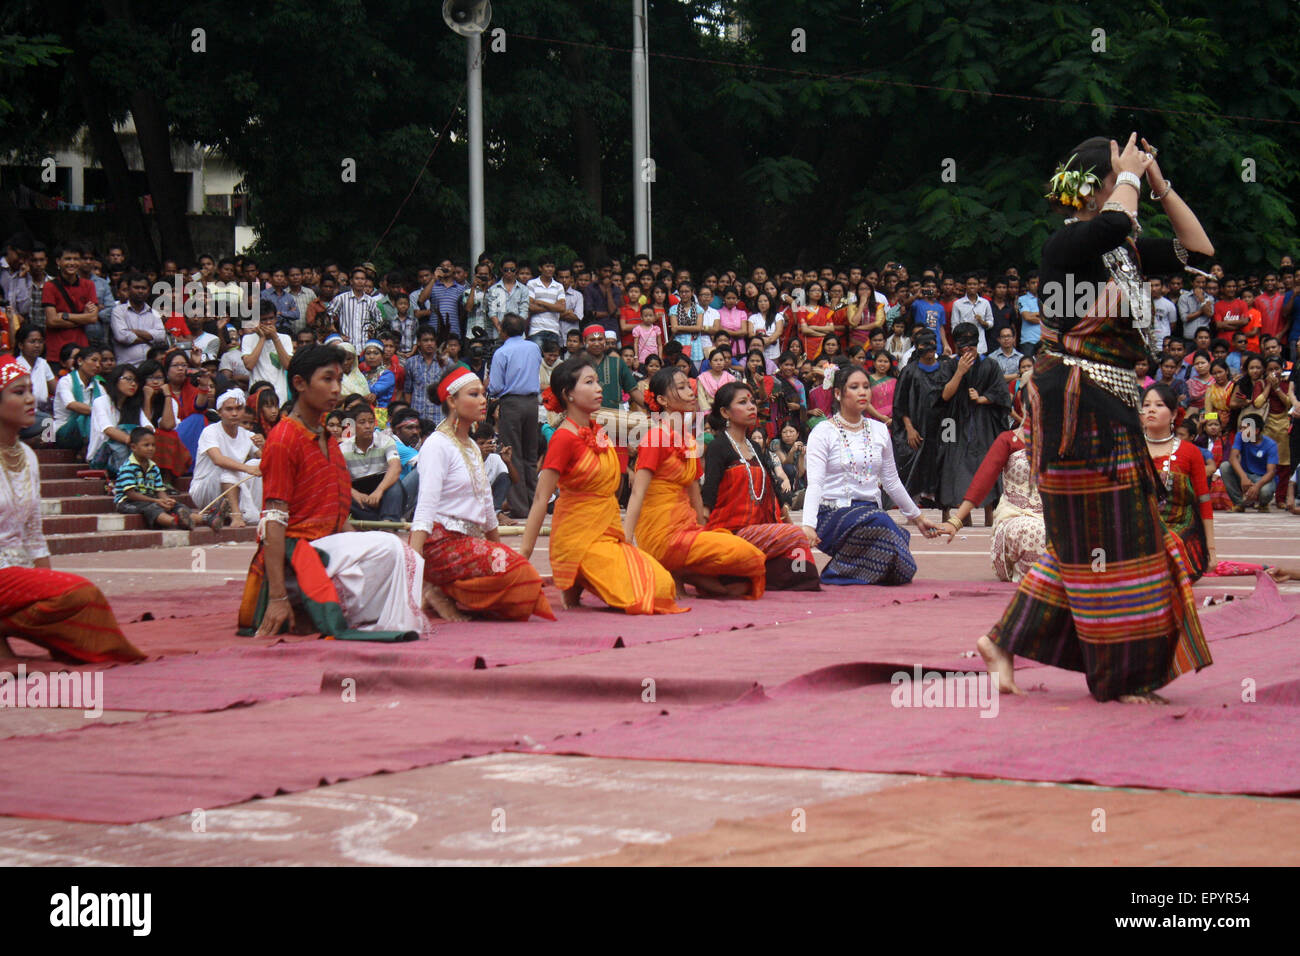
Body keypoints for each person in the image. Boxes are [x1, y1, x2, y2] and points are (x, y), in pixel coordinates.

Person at [977, 133, 1214, 704]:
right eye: (1118, 169)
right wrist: (1128, 177)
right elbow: (1108, 224)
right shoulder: (1068, 245)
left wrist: (1157, 182)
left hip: (1113, 397)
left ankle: (1003, 640)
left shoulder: (1123, 252)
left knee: (1101, 536)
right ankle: (1122, 673)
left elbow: (1200, 250)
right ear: (1095, 185)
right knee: (1114, 533)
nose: (1128, 173)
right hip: (1075, 400)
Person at [237, 345, 427, 641]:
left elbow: (338, 515)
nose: (337, 389)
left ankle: (328, 610)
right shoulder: (284, 438)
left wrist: (354, 548)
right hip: (296, 557)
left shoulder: (329, 439)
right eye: (327, 379)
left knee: (397, 552)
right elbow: (272, 522)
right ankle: (305, 605)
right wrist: (276, 598)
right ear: (299, 383)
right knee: (391, 548)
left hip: (327, 550)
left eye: (339, 380)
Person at [0, 355, 144, 663]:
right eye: (18, 392)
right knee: (83, 594)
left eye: (30, 390)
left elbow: (34, 533)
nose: (30, 399)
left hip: (17, 573)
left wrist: (45, 590)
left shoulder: (26, 455)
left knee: (70, 602)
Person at [520, 356, 683, 614]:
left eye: (597, 381)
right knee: (646, 593)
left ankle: (584, 579)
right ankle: (576, 571)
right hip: (578, 537)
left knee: (663, 585)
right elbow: (541, 498)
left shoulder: (599, 430)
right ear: (568, 394)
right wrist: (523, 556)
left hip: (607, 533)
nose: (599, 388)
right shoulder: (563, 438)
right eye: (589, 382)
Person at [408, 365, 554, 622]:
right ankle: (433, 586)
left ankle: (445, 589)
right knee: (523, 577)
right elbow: (426, 508)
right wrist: (414, 565)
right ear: (452, 401)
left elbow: (487, 510)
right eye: (473, 394)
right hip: (440, 543)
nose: (483, 400)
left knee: (520, 582)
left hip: (468, 541)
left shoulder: (472, 446)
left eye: (483, 394)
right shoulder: (437, 445)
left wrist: (498, 550)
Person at [624, 368, 766, 599]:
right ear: (661, 400)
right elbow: (637, 492)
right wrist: (627, 541)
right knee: (750, 556)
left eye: (689, 386)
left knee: (742, 578)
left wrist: (703, 531)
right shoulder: (655, 437)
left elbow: (695, 495)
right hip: (661, 534)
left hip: (687, 529)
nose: (690, 393)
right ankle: (676, 568)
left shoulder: (689, 440)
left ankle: (682, 572)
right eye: (680, 388)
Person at [802, 364, 940, 585]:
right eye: (854, 387)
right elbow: (815, 484)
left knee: (902, 567)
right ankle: (840, 571)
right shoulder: (822, 432)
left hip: (870, 514)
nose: (863, 392)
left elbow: (891, 481)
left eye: (866, 386)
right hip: (832, 514)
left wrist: (918, 517)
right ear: (838, 393)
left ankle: (841, 571)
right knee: (883, 525)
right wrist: (808, 525)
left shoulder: (879, 430)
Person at [701, 382, 821, 590]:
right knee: (795, 540)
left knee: (799, 553)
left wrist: (789, 525)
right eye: (743, 402)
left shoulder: (754, 447)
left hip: (760, 530)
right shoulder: (718, 447)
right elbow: (708, 496)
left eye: (752, 402)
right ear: (724, 412)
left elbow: (774, 495)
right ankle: (739, 574)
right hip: (731, 533)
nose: (751, 407)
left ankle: (754, 577)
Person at [939, 418, 1046, 582]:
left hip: (1054, 516)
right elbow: (983, 480)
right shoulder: (1008, 440)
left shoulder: (1067, 442)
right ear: (1023, 408)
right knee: (1033, 531)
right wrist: (955, 521)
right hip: (1018, 518)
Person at [936, 322, 1014, 525]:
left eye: (971, 344)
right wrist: (959, 372)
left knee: (986, 466)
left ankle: (990, 518)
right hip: (954, 424)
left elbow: (1002, 395)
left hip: (983, 422)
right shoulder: (949, 366)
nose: (967, 348)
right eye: (963, 344)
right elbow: (943, 395)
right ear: (956, 346)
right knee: (955, 466)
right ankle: (964, 519)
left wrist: (983, 398)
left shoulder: (990, 365)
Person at [1141, 384, 1215, 581]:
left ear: (1174, 414)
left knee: (1164, 544)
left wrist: (1211, 550)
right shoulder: (1131, 450)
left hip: (1179, 529)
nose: (1151, 409)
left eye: (1159, 405)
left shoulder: (1190, 452)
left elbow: (1204, 501)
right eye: (1146, 405)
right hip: (1140, 528)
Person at [488, 313, 543, 518]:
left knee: (513, 454)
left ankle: (521, 507)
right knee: (530, 453)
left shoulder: (502, 353)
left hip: (511, 403)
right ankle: (535, 504)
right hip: (531, 403)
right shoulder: (534, 347)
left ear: (503, 331)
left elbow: (495, 386)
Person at [191, 389, 263, 527]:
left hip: (232, 486)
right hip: (206, 488)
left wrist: (264, 446)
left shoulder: (247, 435)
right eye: (229, 409)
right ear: (219, 412)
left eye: (238, 409)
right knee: (228, 468)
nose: (234, 413)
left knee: (258, 463)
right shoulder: (210, 431)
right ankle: (236, 516)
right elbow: (218, 460)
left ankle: (252, 511)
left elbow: (267, 461)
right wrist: (247, 468)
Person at [891, 330, 946, 505]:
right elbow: (900, 403)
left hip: (939, 428)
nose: (929, 348)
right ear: (917, 347)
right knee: (911, 464)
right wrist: (909, 428)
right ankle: (910, 504)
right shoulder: (909, 371)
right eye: (924, 344)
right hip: (914, 427)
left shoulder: (944, 369)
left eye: (932, 343)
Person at [113, 427, 197, 530]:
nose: (151, 448)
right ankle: (175, 522)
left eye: (153, 445)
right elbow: (131, 494)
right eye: (146, 445)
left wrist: (166, 500)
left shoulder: (153, 467)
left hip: (149, 499)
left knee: (176, 506)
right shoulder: (128, 467)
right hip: (127, 502)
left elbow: (159, 490)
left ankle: (205, 518)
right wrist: (156, 501)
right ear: (134, 447)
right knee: (152, 508)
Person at [339, 405, 404, 522]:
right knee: (340, 493)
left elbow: (395, 467)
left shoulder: (385, 440)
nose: (367, 426)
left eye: (370, 422)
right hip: (357, 488)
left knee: (395, 485)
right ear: (352, 426)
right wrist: (355, 493)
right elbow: (338, 478)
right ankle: (375, 522)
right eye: (362, 422)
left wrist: (379, 491)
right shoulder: (343, 448)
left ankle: (388, 522)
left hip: (382, 485)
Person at [87, 364, 150, 476]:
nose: (133, 384)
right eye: (128, 379)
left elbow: (148, 428)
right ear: (116, 380)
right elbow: (108, 430)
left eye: (136, 381)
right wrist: (136, 442)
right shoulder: (101, 402)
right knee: (127, 433)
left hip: (131, 450)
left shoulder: (133, 406)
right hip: (102, 457)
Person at [1222, 411, 1278, 512]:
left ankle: (1263, 504)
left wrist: (1257, 486)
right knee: (1225, 466)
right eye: (1241, 428)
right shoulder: (1240, 436)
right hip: (1246, 474)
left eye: (1245, 428)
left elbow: (1271, 472)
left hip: (1262, 477)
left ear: (1256, 431)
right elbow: (1233, 458)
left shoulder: (1271, 445)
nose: (1241, 430)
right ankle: (1239, 504)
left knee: (1266, 492)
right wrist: (1243, 477)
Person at [241, 300, 294, 403]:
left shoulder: (285, 338)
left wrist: (275, 338)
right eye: (264, 320)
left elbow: (288, 365)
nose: (268, 322)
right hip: (257, 394)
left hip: (280, 394)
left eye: (271, 318)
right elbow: (249, 365)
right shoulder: (248, 339)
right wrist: (262, 338)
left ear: (276, 318)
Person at [13, 325, 55, 442]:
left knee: (50, 421)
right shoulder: (15, 366)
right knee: (47, 420)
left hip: (38, 414)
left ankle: (44, 444)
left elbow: (56, 390)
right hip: (17, 417)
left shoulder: (43, 364)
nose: (37, 345)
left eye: (40, 341)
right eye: (32, 342)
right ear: (21, 345)